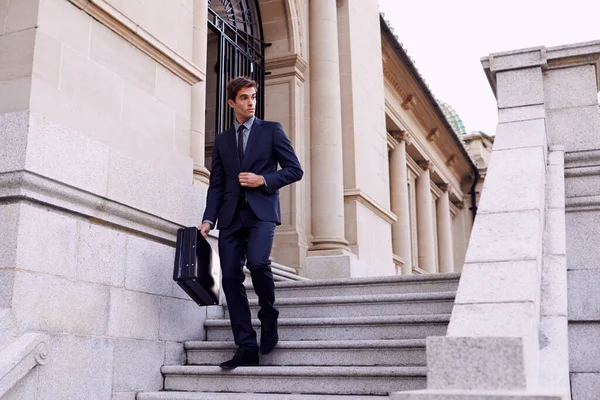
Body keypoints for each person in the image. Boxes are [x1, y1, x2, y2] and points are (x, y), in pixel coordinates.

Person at [198, 76, 303, 369]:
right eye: (244, 98)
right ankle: (246, 346)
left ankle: (269, 318)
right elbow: (216, 184)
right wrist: (208, 219)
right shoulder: (222, 140)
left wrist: (264, 180)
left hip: (261, 213)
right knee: (230, 277)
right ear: (232, 102)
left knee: (257, 264)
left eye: (253, 97)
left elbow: (295, 170)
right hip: (231, 217)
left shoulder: (271, 131)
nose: (251, 102)